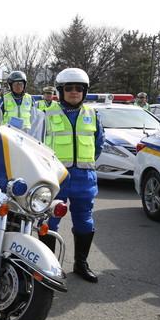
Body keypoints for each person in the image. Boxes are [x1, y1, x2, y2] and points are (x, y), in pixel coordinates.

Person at [41, 67, 104, 283]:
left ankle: (81, 264)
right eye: (69, 88)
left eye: (79, 88)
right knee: (50, 222)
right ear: (61, 90)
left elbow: (98, 146)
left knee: (84, 221)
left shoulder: (93, 114)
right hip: (56, 178)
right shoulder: (46, 114)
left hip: (84, 179)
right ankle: (47, 265)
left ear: (85, 91)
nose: (74, 91)